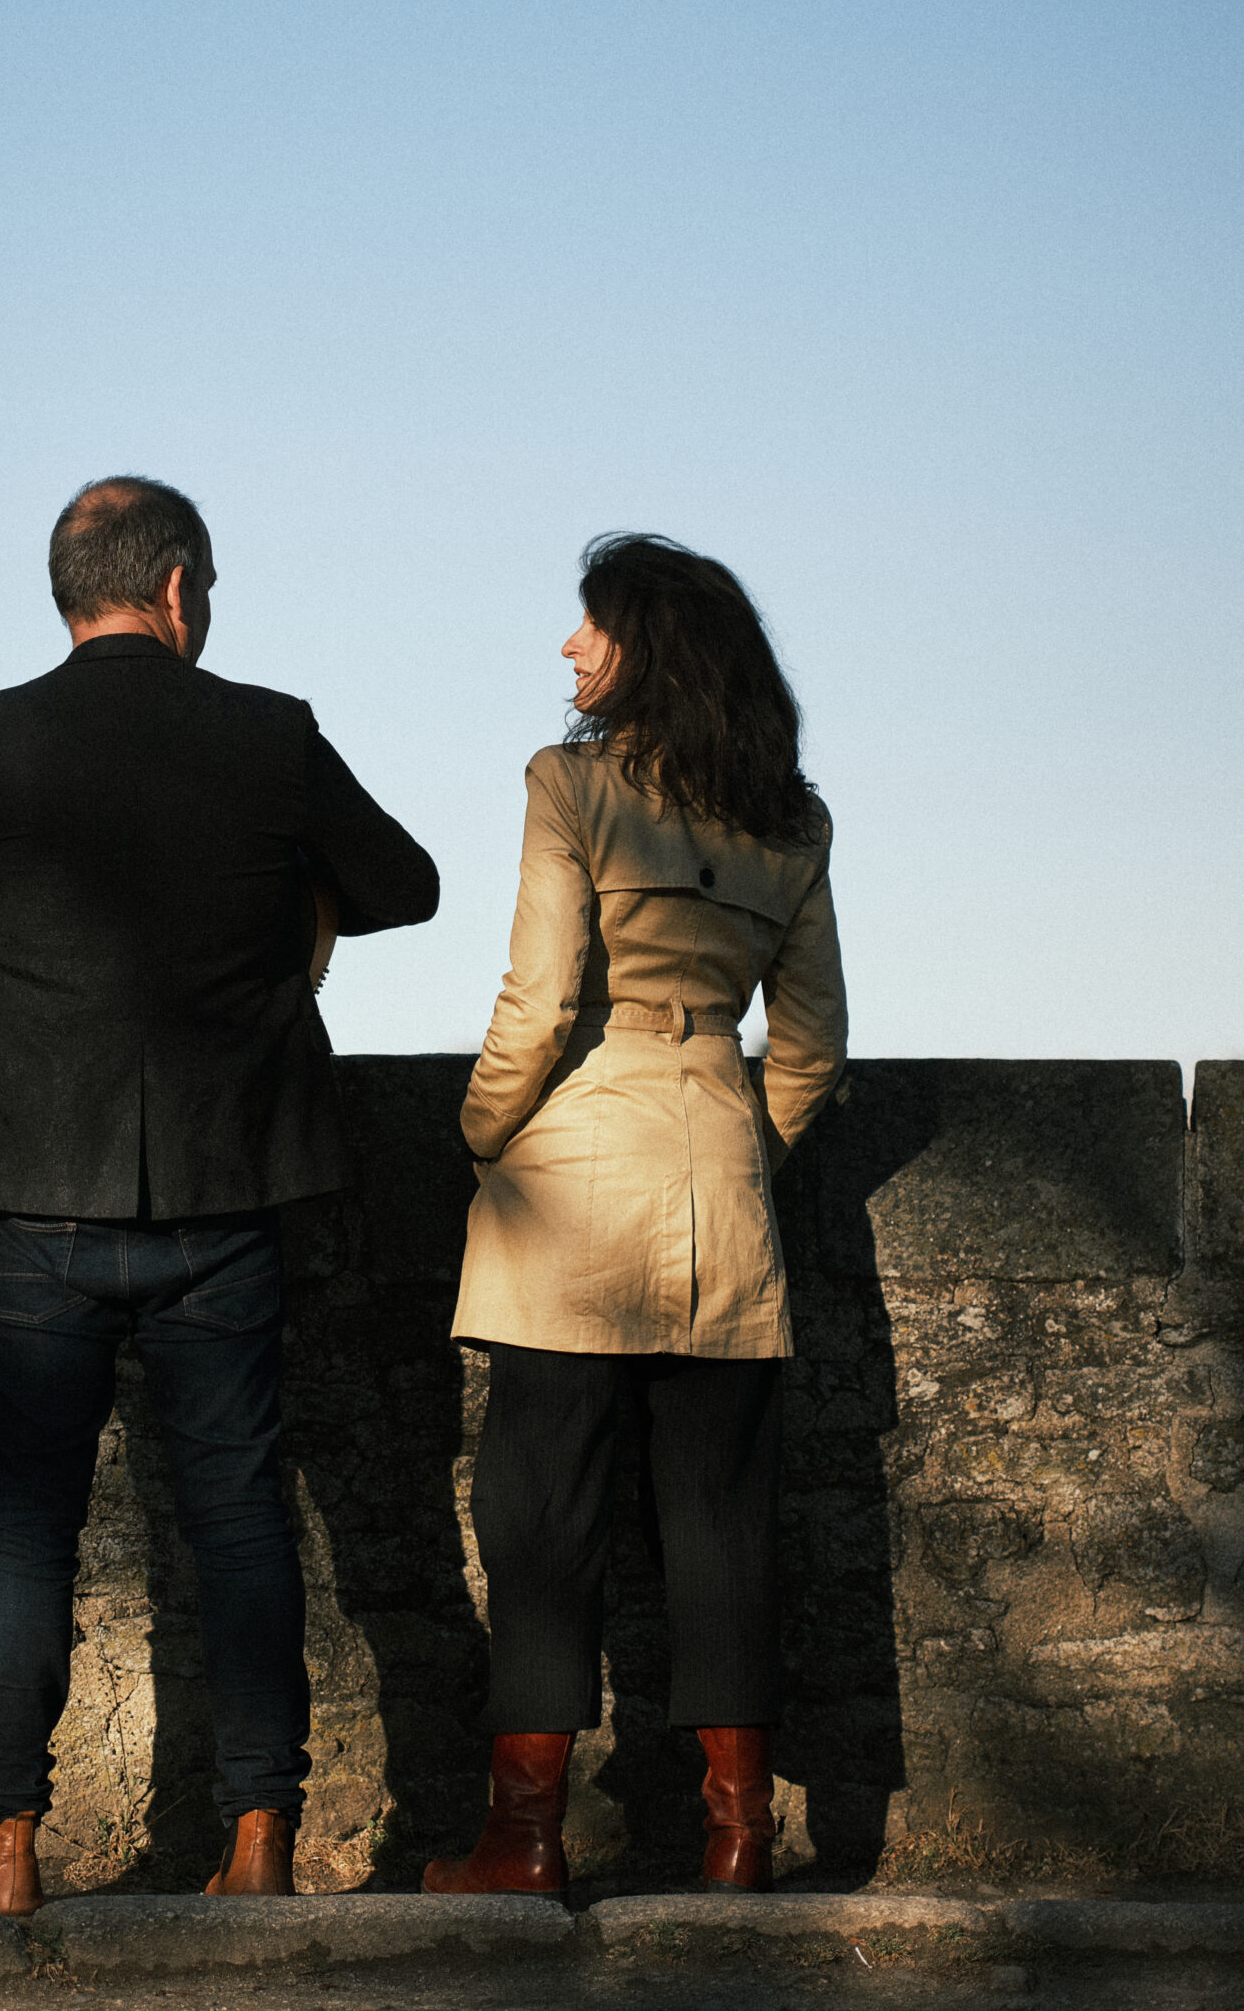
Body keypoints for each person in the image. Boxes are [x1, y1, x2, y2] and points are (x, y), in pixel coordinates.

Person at [0, 477, 438, 1914]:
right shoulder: (270, 735)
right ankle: (257, 1846)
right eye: (207, 589)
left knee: (29, 1528)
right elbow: (403, 885)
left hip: (32, 1210)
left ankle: (7, 1852)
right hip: (227, 1204)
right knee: (240, 1518)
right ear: (176, 592)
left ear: (70, 591)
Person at [427, 533, 847, 1900]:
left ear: (644, 648)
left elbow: (540, 998)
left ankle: (526, 1839)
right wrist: (739, 1148)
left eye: (590, 627)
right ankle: (740, 1838)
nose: (569, 649)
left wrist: (486, 1130)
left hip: (573, 1187)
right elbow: (816, 1047)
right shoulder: (790, 817)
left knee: (543, 1518)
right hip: (718, 1180)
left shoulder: (571, 786)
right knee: (724, 1526)